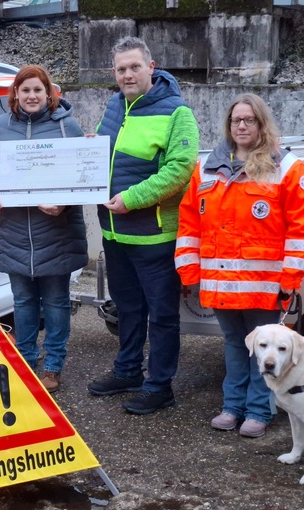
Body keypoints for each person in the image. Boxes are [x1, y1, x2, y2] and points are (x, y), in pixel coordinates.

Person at [175, 93, 304, 437]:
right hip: (219, 284)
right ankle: (231, 407)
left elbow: (303, 225)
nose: (241, 126)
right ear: (228, 125)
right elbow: (189, 222)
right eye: (235, 120)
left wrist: (291, 276)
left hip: (264, 284)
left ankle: (258, 410)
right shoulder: (206, 167)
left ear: (260, 123)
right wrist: (189, 272)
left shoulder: (285, 166)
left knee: (264, 353)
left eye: (249, 120)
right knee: (233, 346)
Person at [86, 36, 200, 415]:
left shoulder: (177, 112)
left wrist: (132, 199)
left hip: (155, 237)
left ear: (151, 67)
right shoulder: (114, 105)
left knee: (162, 315)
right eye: (120, 69)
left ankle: (160, 385)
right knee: (128, 309)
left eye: (134, 66)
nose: (127, 74)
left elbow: (179, 171)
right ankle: (128, 371)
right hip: (115, 234)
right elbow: (107, 154)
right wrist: (89, 150)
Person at [0, 65, 88, 393]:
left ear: (49, 93)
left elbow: (84, 175)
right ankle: (24, 360)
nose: (32, 96)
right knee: (23, 300)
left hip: (56, 231)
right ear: (15, 94)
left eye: (38, 90)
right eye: (25, 90)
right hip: (13, 230)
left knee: (55, 301)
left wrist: (64, 204)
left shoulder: (68, 127)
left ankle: (53, 365)